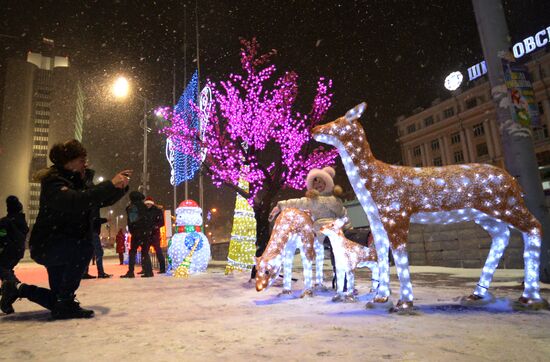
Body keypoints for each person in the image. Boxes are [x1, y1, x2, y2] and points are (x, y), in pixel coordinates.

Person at [0, 139, 130, 318]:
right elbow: (75, 201)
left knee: (60, 300)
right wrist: (110, 184)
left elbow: (98, 200)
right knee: (85, 248)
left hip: (63, 243)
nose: (85, 164)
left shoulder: (79, 181)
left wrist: (119, 188)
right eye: (81, 161)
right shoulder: (53, 182)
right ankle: (64, 301)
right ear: (67, 162)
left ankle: (17, 288)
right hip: (49, 245)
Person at [268, 167, 353, 290]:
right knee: (338, 249)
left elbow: (344, 215)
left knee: (349, 248)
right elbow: (295, 202)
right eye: (315, 182)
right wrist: (279, 206)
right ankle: (343, 283)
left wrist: (349, 228)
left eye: (320, 182)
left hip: (339, 230)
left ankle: (345, 279)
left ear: (327, 182)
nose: (318, 185)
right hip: (323, 231)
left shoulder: (336, 200)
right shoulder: (311, 200)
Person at [121, 191, 153, 278]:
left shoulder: (132, 207)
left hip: (137, 232)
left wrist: (133, 230)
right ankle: (149, 271)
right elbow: (149, 219)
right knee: (145, 252)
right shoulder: (144, 207)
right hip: (145, 232)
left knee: (132, 251)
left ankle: (131, 272)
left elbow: (133, 220)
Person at [0, 196, 29, 291]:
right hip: (19, 250)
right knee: (6, 268)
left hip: (8, 250)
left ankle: (15, 286)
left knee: (3, 268)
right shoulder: (22, 221)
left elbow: (2, 235)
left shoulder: (6, 221)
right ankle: (8, 287)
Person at [82, 201, 111, 279]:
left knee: (89, 252)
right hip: (93, 232)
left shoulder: (87, 205)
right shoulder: (94, 206)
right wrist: (105, 220)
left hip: (88, 232)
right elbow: (94, 219)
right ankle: (100, 272)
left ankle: (84, 272)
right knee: (98, 252)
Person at [144, 196, 166, 274]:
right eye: (147, 204)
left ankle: (162, 268)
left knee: (158, 251)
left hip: (154, 234)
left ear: (152, 204)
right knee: (145, 252)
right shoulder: (143, 211)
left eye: (149, 204)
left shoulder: (157, 211)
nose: (148, 205)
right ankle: (145, 268)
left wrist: (155, 226)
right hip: (147, 234)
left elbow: (162, 222)